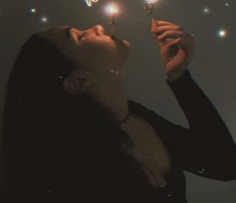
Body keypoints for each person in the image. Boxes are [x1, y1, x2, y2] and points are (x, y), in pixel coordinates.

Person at [1, 20, 235, 203]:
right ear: (78, 81)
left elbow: (225, 165)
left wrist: (180, 78)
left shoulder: (136, 117)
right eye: (81, 36)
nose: (98, 27)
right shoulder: (71, 163)